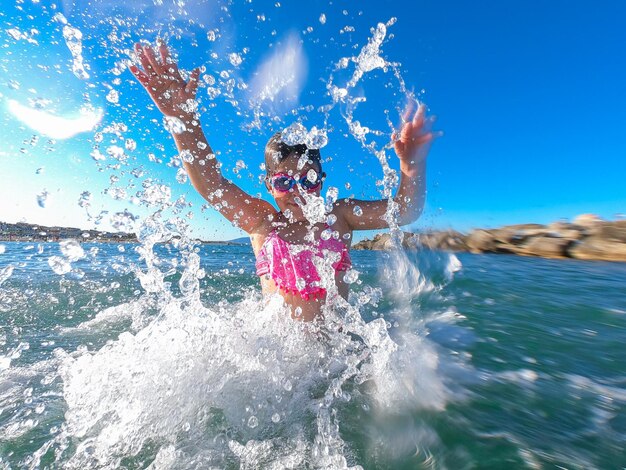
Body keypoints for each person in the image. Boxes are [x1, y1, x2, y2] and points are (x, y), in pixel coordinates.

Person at [130, 42, 437, 322]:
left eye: (309, 179)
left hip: (336, 359)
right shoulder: (263, 223)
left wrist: (411, 166)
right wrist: (183, 119)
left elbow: (406, 210)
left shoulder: (340, 217)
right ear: (268, 185)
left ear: (323, 180)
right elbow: (211, 184)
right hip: (281, 364)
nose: (299, 191)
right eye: (285, 182)